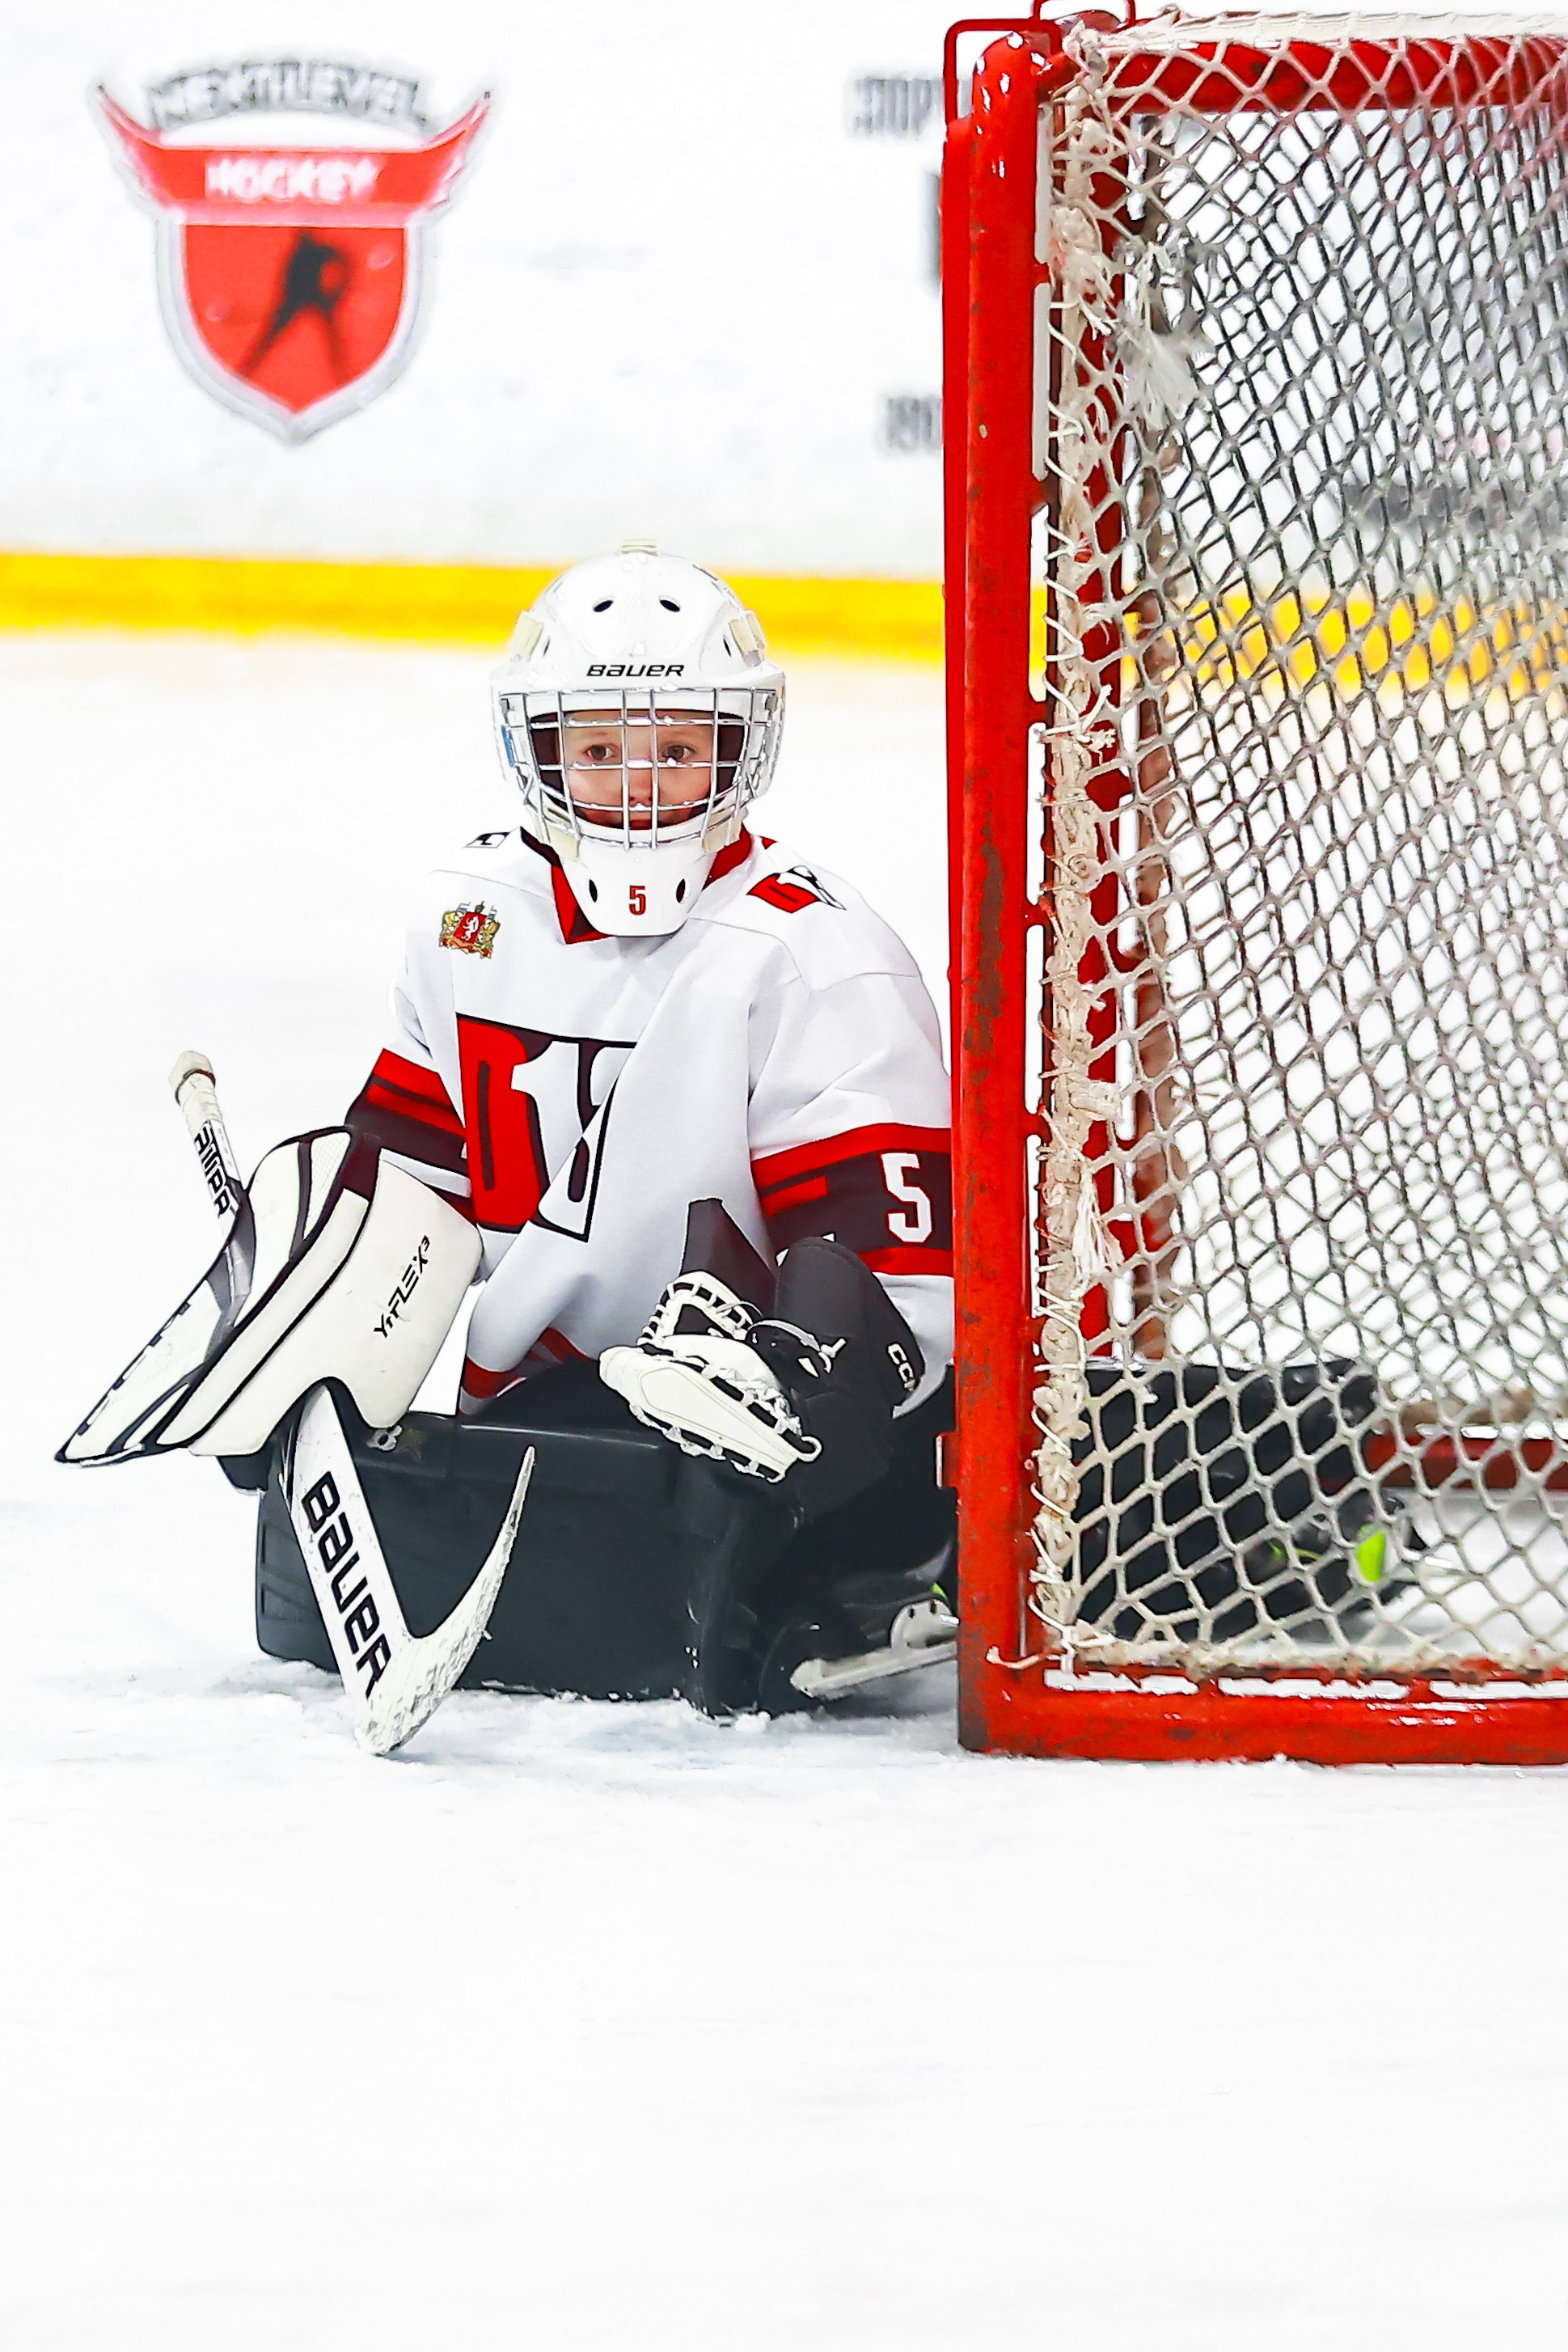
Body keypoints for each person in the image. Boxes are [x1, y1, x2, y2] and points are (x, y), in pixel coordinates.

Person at [58, 543, 957, 1720]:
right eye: (598, 750)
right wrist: (301, 1326)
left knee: (821, 1337)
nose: (639, 783)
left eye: (679, 749)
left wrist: (788, 1384)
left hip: (812, 1471)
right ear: (536, 754)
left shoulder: (814, 952)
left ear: (743, 750)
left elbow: (895, 1292)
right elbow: (410, 1186)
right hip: (555, 1422)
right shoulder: (473, 920)